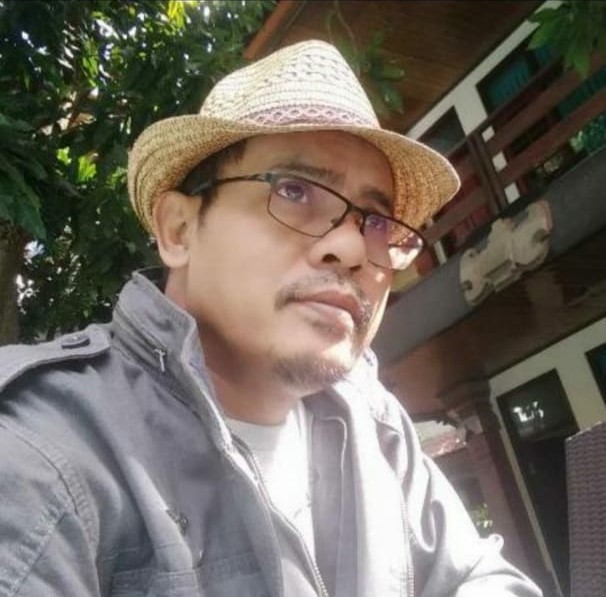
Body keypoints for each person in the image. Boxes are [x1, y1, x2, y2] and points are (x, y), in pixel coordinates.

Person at [0, 40, 542, 597]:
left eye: (377, 222)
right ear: (179, 231)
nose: (353, 248)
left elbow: (480, 577)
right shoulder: (43, 447)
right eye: (295, 190)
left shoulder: (374, 425)